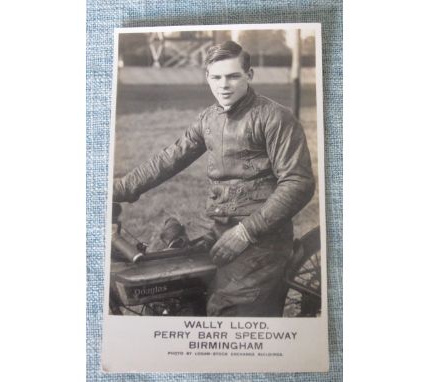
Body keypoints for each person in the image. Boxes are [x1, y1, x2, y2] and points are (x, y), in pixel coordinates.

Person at [113, 40, 315, 317]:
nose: (224, 85)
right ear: (207, 77)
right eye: (217, 77)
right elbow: (170, 157)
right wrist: (118, 188)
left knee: (224, 315)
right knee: (164, 281)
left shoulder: (276, 118)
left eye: (233, 76)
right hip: (217, 225)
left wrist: (245, 232)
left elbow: (298, 182)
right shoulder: (209, 118)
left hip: (262, 238)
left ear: (250, 75)